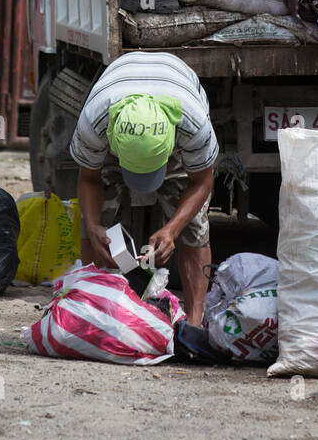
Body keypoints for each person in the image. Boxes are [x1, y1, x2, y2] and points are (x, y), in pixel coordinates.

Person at [71, 51, 218, 327]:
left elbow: (201, 182)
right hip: (117, 111)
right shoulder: (95, 122)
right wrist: (92, 227)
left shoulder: (193, 124)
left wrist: (172, 230)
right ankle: (88, 313)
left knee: (195, 225)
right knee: (94, 224)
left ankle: (195, 325)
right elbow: (89, 178)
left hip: (175, 100)